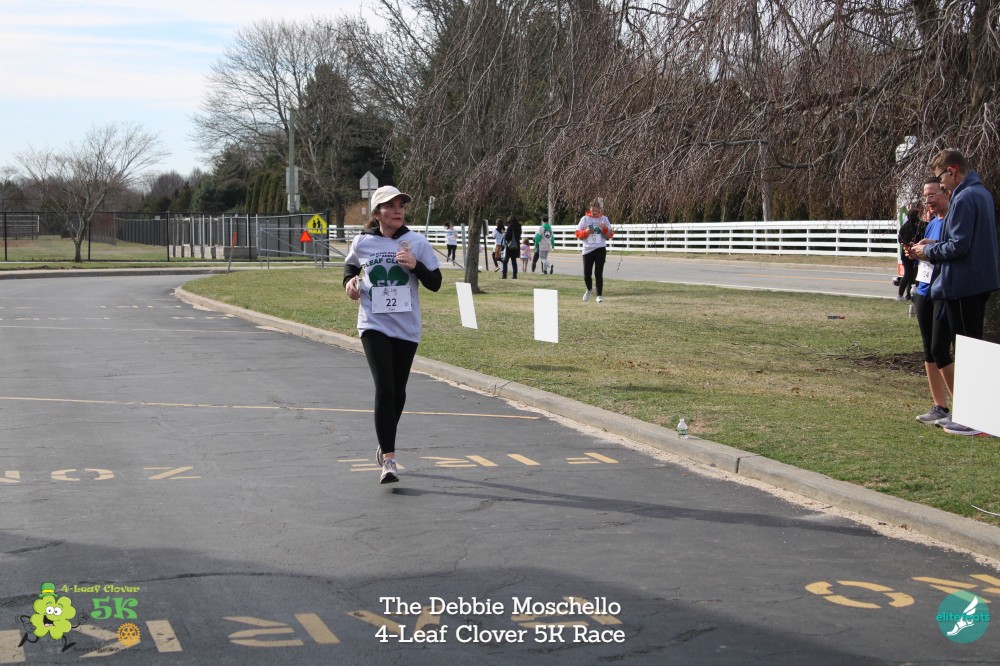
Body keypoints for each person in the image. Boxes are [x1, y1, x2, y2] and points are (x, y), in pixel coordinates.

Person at [344, 185, 442, 483]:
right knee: (385, 388)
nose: (398, 210)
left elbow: (436, 282)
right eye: (390, 206)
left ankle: (383, 441)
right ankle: (389, 460)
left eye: (401, 205)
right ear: (377, 213)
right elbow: (351, 266)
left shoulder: (417, 242)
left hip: (406, 326)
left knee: (398, 391)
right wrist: (349, 283)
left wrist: (416, 266)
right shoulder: (363, 242)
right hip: (373, 324)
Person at [907, 149, 1000, 436]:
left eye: (941, 177)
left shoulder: (964, 197)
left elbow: (959, 246)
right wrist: (935, 243)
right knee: (970, 349)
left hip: (964, 283)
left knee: (969, 351)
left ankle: (975, 418)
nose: (941, 184)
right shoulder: (981, 193)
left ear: (953, 170)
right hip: (974, 282)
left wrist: (928, 251)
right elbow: (963, 240)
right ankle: (972, 414)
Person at [910, 180, 953, 427]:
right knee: (929, 350)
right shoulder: (932, 223)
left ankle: (965, 408)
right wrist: (915, 252)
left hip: (942, 291)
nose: (927, 201)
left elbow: (953, 251)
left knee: (940, 350)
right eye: (925, 196)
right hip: (923, 289)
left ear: (946, 193)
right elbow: (928, 256)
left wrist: (931, 249)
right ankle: (940, 406)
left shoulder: (952, 222)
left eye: (932, 195)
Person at [575, 198, 614, 302]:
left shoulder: (604, 219)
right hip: (587, 249)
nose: (594, 212)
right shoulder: (585, 219)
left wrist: (604, 229)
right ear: (590, 209)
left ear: (599, 209)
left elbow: (610, 235)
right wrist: (586, 232)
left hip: (600, 248)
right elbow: (577, 234)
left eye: (596, 210)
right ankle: (589, 289)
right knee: (587, 274)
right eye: (593, 209)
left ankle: (599, 296)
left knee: (598, 273)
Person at [897, 207, 922, 301]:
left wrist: (905, 245)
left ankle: (908, 295)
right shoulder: (917, 227)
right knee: (909, 274)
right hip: (912, 253)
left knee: (910, 274)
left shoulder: (904, 226)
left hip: (906, 253)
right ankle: (901, 295)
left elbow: (900, 240)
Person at [501, 215, 522, 279]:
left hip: (509, 245)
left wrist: (504, 235)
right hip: (516, 245)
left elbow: (508, 237)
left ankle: (504, 275)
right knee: (514, 260)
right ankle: (514, 275)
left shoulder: (510, 227)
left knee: (505, 261)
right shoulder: (519, 227)